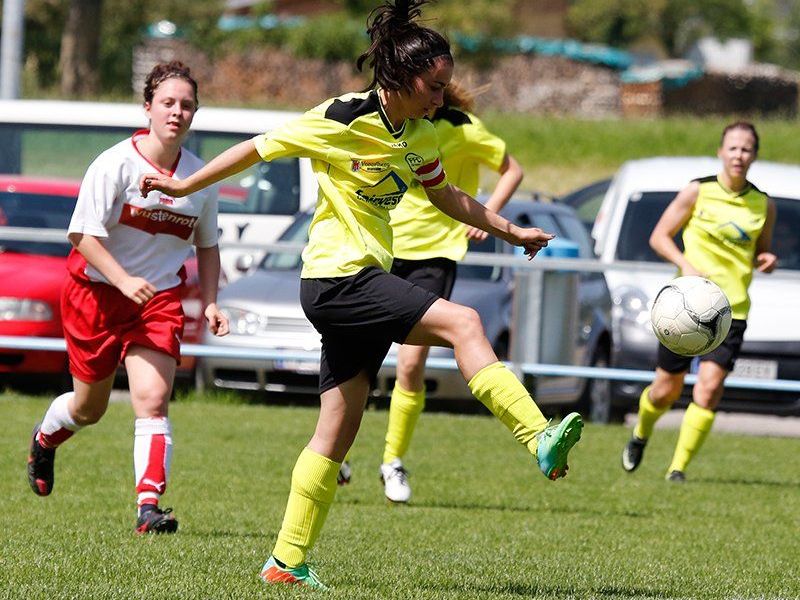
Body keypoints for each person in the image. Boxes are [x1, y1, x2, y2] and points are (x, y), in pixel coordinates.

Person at [140, 0, 582, 588]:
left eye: (446, 87)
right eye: (434, 85)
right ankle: (538, 436)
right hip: (336, 278)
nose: (442, 98)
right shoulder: (340, 118)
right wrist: (185, 184)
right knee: (466, 323)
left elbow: (447, 197)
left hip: (360, 281)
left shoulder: (421, 133)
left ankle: (286, 561)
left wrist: (511, 230)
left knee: (336, 432)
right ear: (400, 76)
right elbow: (255, 148)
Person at [26, 61, 230, 534]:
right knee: (89, 408)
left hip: (156, 299)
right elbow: (82, 234)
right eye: (168, 103)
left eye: (187, 105)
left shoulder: (201, 178)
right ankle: (45, 440)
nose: (177, 112)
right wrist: (120, 280)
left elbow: (208, 244)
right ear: (148, 108)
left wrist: (213, 300)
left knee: (153, 399)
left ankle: (148, 507)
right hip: (94, 295)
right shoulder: (116, 162)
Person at [368, 81, 524, 503]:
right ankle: (336, 452)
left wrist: (488, 213)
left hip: (434, 256)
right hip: (381, 247)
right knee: (355, 358)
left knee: (410, 363)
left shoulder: (463, 127)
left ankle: (392, 462)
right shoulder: (389, 121)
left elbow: (513, 169)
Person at [621, 121, 776, 482]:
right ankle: (641, 434)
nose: (739, 155)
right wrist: (686, 265)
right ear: (721, 152)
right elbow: (659, 237)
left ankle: (678, 469)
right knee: (665, 390)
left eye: (747, 149)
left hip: (730, 310)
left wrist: (766, 260)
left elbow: (762, 251)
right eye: (733, 148)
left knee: (708, 388)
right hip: (684, 308)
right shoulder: (697, 191)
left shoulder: (763, 203)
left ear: (754, 155)